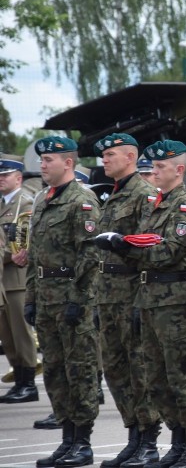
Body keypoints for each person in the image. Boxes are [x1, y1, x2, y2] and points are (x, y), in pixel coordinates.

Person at [117, 139, 186, 468]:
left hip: (176, 301)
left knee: (182, 374)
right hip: (150, 299)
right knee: (156, 377)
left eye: (160, 167)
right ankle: (177, 439)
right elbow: (148, 246)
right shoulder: (155, 204)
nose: (153, 172)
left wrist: (124, 249)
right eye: (152, 166)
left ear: (179, 170)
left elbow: (170, 252)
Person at [25, 136, 101, 467]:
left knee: (79, 370)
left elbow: (90, 254)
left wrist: (78, 299)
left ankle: (82, 442)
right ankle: (66, 439)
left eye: (49, 160)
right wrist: (30, 298)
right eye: (41, 160)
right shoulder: (43, 200)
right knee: (55, 371)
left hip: (71, 298)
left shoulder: (82, 202)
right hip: (45, 298)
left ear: (68, 163)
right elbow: (34, 256)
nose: (42, 164)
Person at [90, 133, 162, 468]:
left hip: (132, 293)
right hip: (108, 296)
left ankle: (148, 440)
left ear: (131, 156)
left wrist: (140, 301)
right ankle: (133, 435)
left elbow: (149, 248)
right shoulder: (115, 194)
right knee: (116, 369)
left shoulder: (144, 195)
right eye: (103, 155)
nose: (104, 159)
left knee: (139, 368)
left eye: (111, 154)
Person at [0, 154, 39, 405]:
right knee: (7, 334)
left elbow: (21, 245)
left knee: (21, 333)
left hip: (16, 279)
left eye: (5, 175)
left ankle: (28, 383)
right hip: (3, 279)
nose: (0, 179)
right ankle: (18, 380)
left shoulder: (25, 204)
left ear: (18, 177)